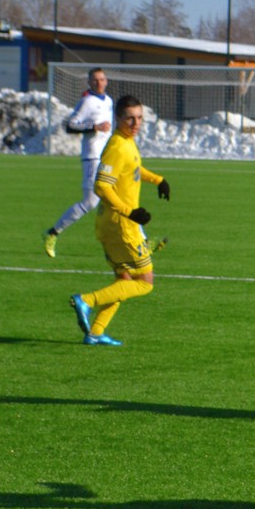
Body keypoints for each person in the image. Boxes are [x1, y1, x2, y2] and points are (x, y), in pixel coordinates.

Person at [67, 96, 171, 346]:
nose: (136, 123)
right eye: (130, 118)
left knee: (123, 281)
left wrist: (158, 180)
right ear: (118, 119)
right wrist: (130, 212)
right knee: (145, 283)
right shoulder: (117, 146)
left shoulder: (127, 142)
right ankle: (87, 300)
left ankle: (95, 332)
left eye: (139, 118)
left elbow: (133, 169)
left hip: (110, 224)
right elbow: (102, 186)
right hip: (122, 226)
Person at [42, 67, 113, 257]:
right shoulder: (87, 102)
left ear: (106, 81)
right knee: (90, 202)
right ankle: (53, 233)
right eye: (95, 80)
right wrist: (94, 127)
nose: (99, 83)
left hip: (107, 157)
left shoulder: (108, 101)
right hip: (92, 157)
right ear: (89, 82)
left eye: (102, 79)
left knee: (120, 197)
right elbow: (70, 125)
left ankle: (141, 242)